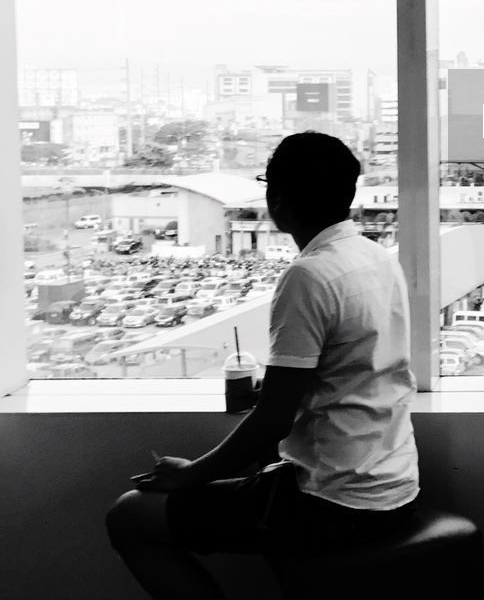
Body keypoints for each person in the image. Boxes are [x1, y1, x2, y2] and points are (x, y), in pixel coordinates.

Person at [106, 132, 420, 599]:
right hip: (395, 484)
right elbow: (350, 372)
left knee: (130, 516)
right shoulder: (376, 257)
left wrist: (190, 473)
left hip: (333, 501)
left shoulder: (309, 275)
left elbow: (272, 419)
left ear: (279, 196)